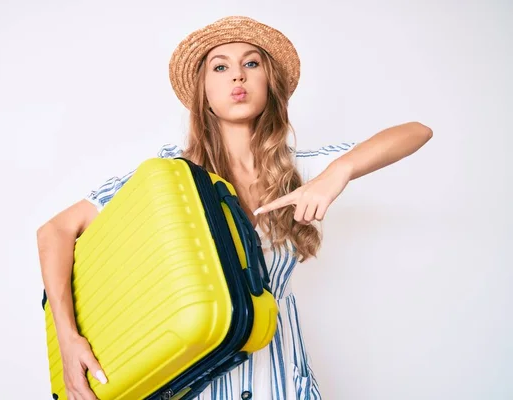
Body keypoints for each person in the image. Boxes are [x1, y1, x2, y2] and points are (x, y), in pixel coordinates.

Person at [37, 15, 433, 400]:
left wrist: (339, 172)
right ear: (204, 91)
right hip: (197, 382)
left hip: (282, 381)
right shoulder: (171, 178)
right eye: (220, 67)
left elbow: (417, 132)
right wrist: (69, 339)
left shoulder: (301, 171)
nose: (237, 76)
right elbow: (55, 232)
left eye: (251, 63)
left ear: (268, 83)